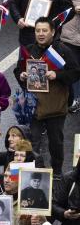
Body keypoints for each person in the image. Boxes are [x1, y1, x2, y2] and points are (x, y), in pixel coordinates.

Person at [16, 18, 78, 175]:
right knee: (32, 141)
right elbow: (18, 70)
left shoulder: (62, 50)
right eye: (38, 31)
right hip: (34, 106)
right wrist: (22, 76)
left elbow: (75, 72)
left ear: (52, 32)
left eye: (44, 30)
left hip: (55, 106)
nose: (41, 34)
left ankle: (56, 173)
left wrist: (56, 75)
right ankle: (33, 172)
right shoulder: (29, 50)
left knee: (55, 142)